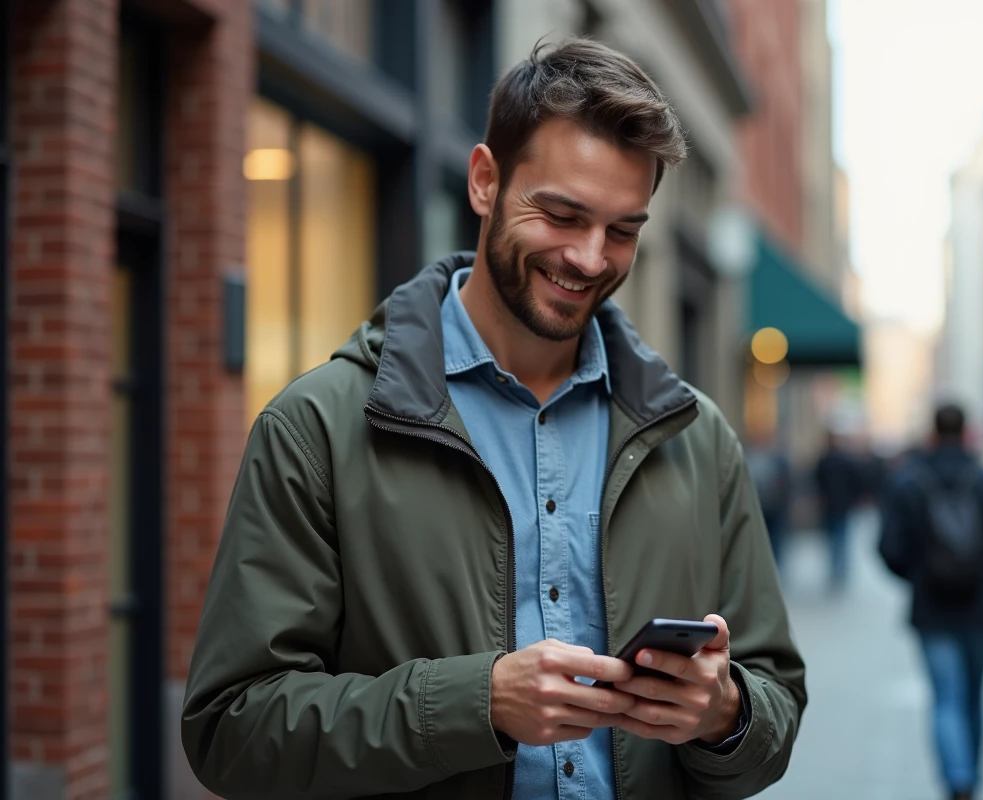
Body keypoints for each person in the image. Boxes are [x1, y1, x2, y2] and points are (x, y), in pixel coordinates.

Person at [180, 39, 806, 800]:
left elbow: (774, 706)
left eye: (622, 230)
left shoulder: (697, 438)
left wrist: (725, 712)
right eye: (563, 214)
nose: (588, 257)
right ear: (485, 181)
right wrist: (477, 705)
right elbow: (231, 731)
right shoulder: (316, 429)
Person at [879, 403, 983, 800]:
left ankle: (957, 780)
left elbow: (888, 548)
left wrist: (918, 576)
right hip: (982, 609)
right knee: (975, 697)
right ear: (968, 433)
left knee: (946, 697)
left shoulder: (908, 482)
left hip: (931, 610)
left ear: (932, 433)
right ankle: (973, 777)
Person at [744, 422, 794, 570]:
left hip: (776, 506)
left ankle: (776, 567)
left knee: (776, 538)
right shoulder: (749, 456)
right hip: (757, 506)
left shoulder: (779, 459)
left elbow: (788, 483)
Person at [814, 431, 860, 590]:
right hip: (840, 504)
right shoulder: (843, 460)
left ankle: (837, 568)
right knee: (840, 537)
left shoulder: (825, 460)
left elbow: (817, 481)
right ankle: (839, 568)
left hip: (832, 504)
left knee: (834, 537)